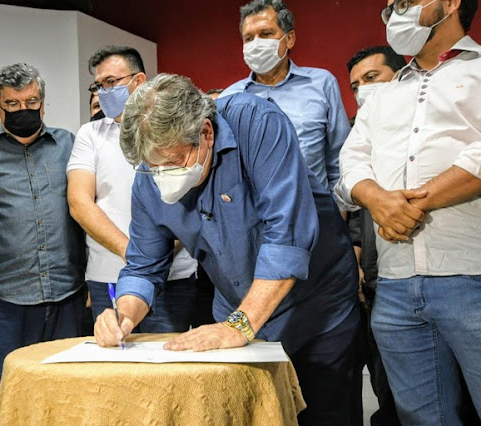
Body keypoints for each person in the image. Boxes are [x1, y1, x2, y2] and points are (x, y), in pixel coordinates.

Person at [95, 73, 359, 426]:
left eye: (172, 162)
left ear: (205, 133)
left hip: (314, 309)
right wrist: (123, 314)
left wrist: (239, 325)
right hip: (237, 308)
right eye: (151, 167)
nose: (161, 176)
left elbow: (286, 236)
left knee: (325, 413)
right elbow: (144, 265)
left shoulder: (257, 123)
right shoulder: (149, 179)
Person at [335, 0, 481, 423]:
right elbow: (351, 161)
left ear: (450, 4)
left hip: (471, 275)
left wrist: (416, 199)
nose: (391, 13)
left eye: (405, 2)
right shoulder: (386, 94)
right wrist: (377, 199)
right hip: (396, 289)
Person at [0, 63, 86, 426]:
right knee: (5, 393)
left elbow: (85, 211)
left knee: (65, 392)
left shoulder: (68, 144)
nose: (24, 110)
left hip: (66, 293)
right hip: (2, 299)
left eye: (32, 101)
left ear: (43, 102)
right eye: (13, 104)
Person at [68, 45, 198, 332]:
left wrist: (153, 258)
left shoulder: (173, 128)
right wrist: (138, 255)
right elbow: (80, 202)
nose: (103, 91)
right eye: (98, 85)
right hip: (108, 274)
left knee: (168, 366)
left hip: (173, 275)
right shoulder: (91, 134)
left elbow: (190, 199)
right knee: (115, 365)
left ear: (138, 81)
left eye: (111, 82)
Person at [220, 0, 350, 192]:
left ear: (289, 39)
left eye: (266, 34)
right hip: (257, 214)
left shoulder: (321, 83)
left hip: (316, 207)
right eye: (248, 38)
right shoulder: (230, 97)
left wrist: (340, 210)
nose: (256, 44)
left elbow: (338, 154)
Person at [345, 45, 405, 426]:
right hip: (378, 287)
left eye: (371, 78)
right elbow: (353, 218)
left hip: (447, 274)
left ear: (400, 76)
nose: (362, 90)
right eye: (354, 86)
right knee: (388, 389)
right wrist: (358, 272)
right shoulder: (356, 138)